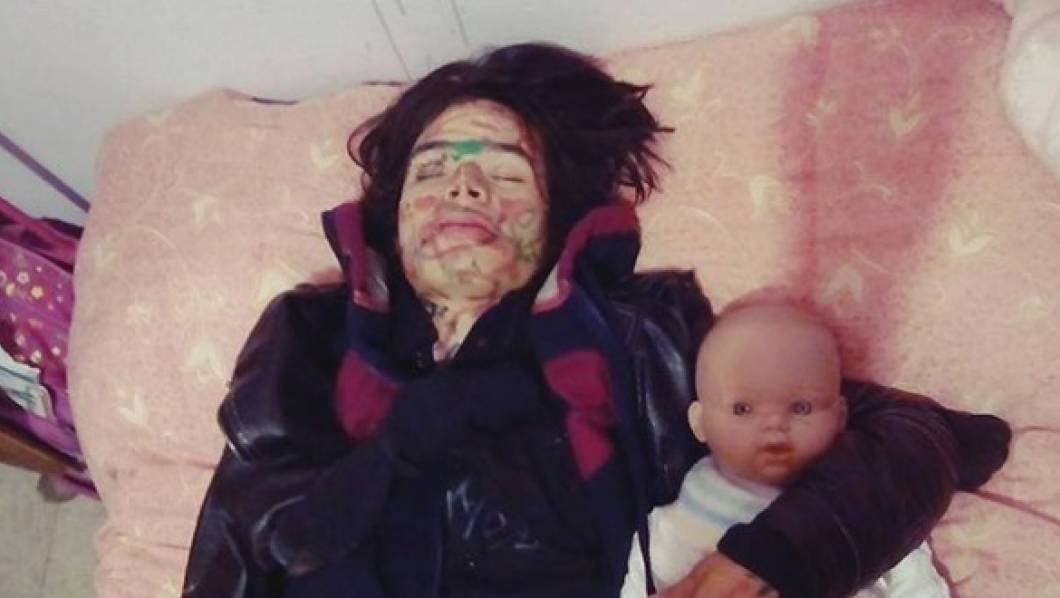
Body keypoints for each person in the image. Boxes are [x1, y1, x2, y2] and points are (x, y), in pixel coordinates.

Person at [181, 43, 1011, 598]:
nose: (463, 187)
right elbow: (244, 540)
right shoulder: (312, 335)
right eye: (432, 172)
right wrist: (394, 449)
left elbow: (916, 437)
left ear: (559, 216)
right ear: (392, 212)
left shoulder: (644, 344)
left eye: (505, 174)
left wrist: (769, 561)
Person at [621, 294, 951, 597]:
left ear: (840, 417)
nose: (774, 423)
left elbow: (916, 583)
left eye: (801, 408)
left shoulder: (871, 504)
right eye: (743, 409)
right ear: (699, 422)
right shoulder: (671, 523)